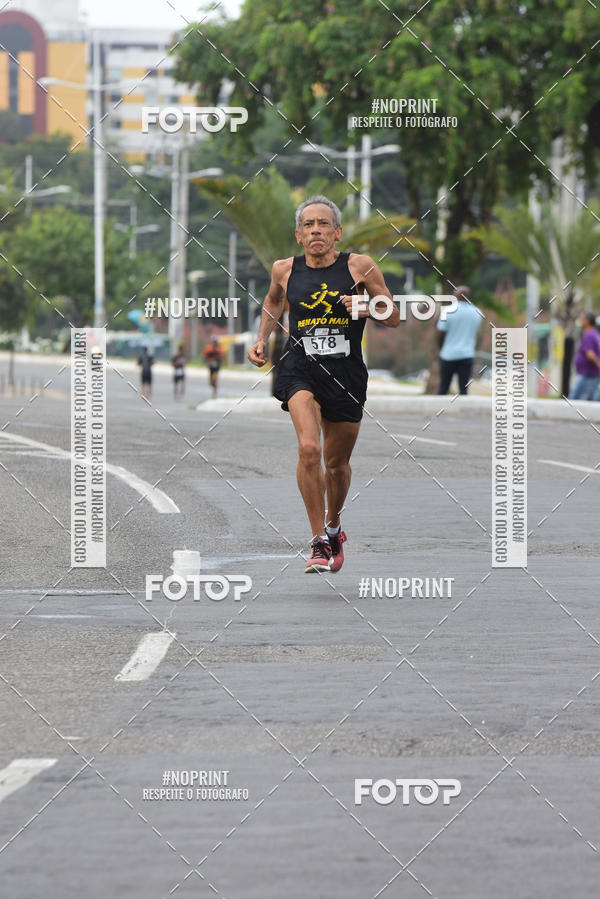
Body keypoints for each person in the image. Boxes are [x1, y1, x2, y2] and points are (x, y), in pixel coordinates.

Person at [247, 195, 399, 573]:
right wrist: (262, 338)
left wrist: (367, 308)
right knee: (309, 449)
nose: (317, 230)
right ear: (299, 235)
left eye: (324, 224)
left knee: (336, 465)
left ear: (337, 233)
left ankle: (333, 528)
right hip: (300, 367)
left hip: (346, 372)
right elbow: (273, 301)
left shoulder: (360, 267)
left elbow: (393, 316)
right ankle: (318, 541)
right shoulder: (284, 269)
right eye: (309, 225)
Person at [436, 285, 482, 395]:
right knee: (464, 389)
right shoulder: (477, 312)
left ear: (455, 296)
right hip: (467, 354)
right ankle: (464, 411)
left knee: (443, 386)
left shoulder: (447, 311)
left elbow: (441, 333)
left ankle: (438, 410)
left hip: (448, 354)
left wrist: (440, 348)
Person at [569, 311, 600, 400]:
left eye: (582, 319)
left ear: (587, 321)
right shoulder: (594, 334)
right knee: (590, 398)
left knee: (576, 398)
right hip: (590, 374)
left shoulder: (589, 335)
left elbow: (590, 354)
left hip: (587, 374)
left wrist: (598, 365)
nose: (580, 321)